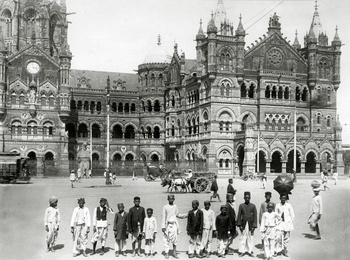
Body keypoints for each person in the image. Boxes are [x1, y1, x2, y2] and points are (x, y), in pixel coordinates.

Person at [161, 194, 187, 259]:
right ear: (168, 199)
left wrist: (186, 215)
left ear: (174, 199)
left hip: (174, 225)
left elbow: (178, 214)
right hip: (167, 225)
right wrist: (163, 226)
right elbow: (163, 217)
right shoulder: (165, 207)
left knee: (175, 239)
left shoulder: (175, 206)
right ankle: (166, 253)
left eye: (172, 198)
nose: (171, 200)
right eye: (170, 198)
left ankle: (174, 253)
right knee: (166, 239)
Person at [236, 191, 257, 257]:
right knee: (243, 237)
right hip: (243, 224)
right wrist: (239, 225)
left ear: (250, 198)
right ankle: (242, 251)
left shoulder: (253, 206)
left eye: (248, 198)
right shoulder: (241, 206)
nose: (247, 199)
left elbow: (255, 216)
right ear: (244, 198)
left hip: (250, 224)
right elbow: (239, 215)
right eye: (246, 198)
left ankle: (250, 251)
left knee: (250, 237)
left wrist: (254, 226)